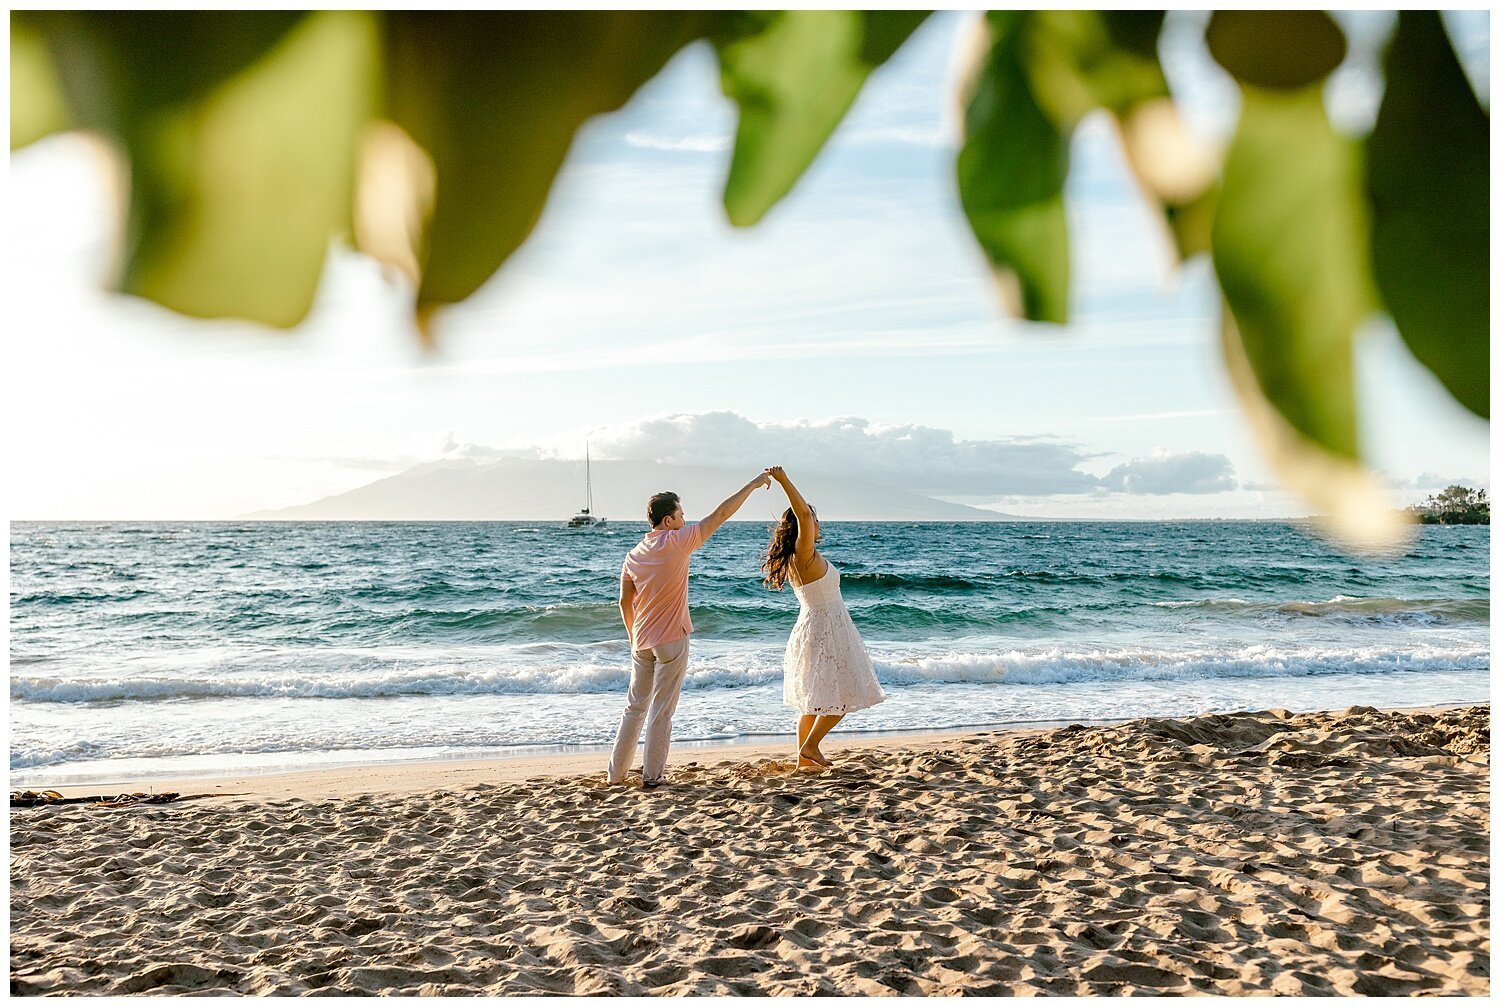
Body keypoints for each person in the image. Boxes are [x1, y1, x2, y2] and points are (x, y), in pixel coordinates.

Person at [607, 472, 772, 788]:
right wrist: (751, 486)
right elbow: (720, 515)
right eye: (681, 515)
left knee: (635, 708)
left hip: (641, 640)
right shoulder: (678, 542)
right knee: (661, 711)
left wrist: (632, 637)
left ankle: (616, 775)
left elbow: (624, 602)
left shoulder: (633, 555)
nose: (685, 520)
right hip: (671, 639)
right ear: (668, 521)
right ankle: (653, 777)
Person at [762, 465, 884, 768]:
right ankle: (811, 748)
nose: (816, 523)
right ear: (802, 526)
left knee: (813, 702)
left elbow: (803, 516)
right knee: (842, 696)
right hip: (824, 629)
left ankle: (804, 760)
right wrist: (784, 480)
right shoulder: (803, 555)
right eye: (814, 519)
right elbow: (802, 514)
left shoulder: (801, 557)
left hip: (816, 627)